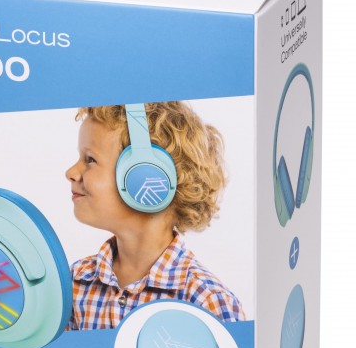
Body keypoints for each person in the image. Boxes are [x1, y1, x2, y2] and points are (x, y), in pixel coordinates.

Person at [65, 101, 245, 330]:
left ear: (146, 174)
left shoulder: (207, 302)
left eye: (90, 159)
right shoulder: (74, 285)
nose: (71, 172)